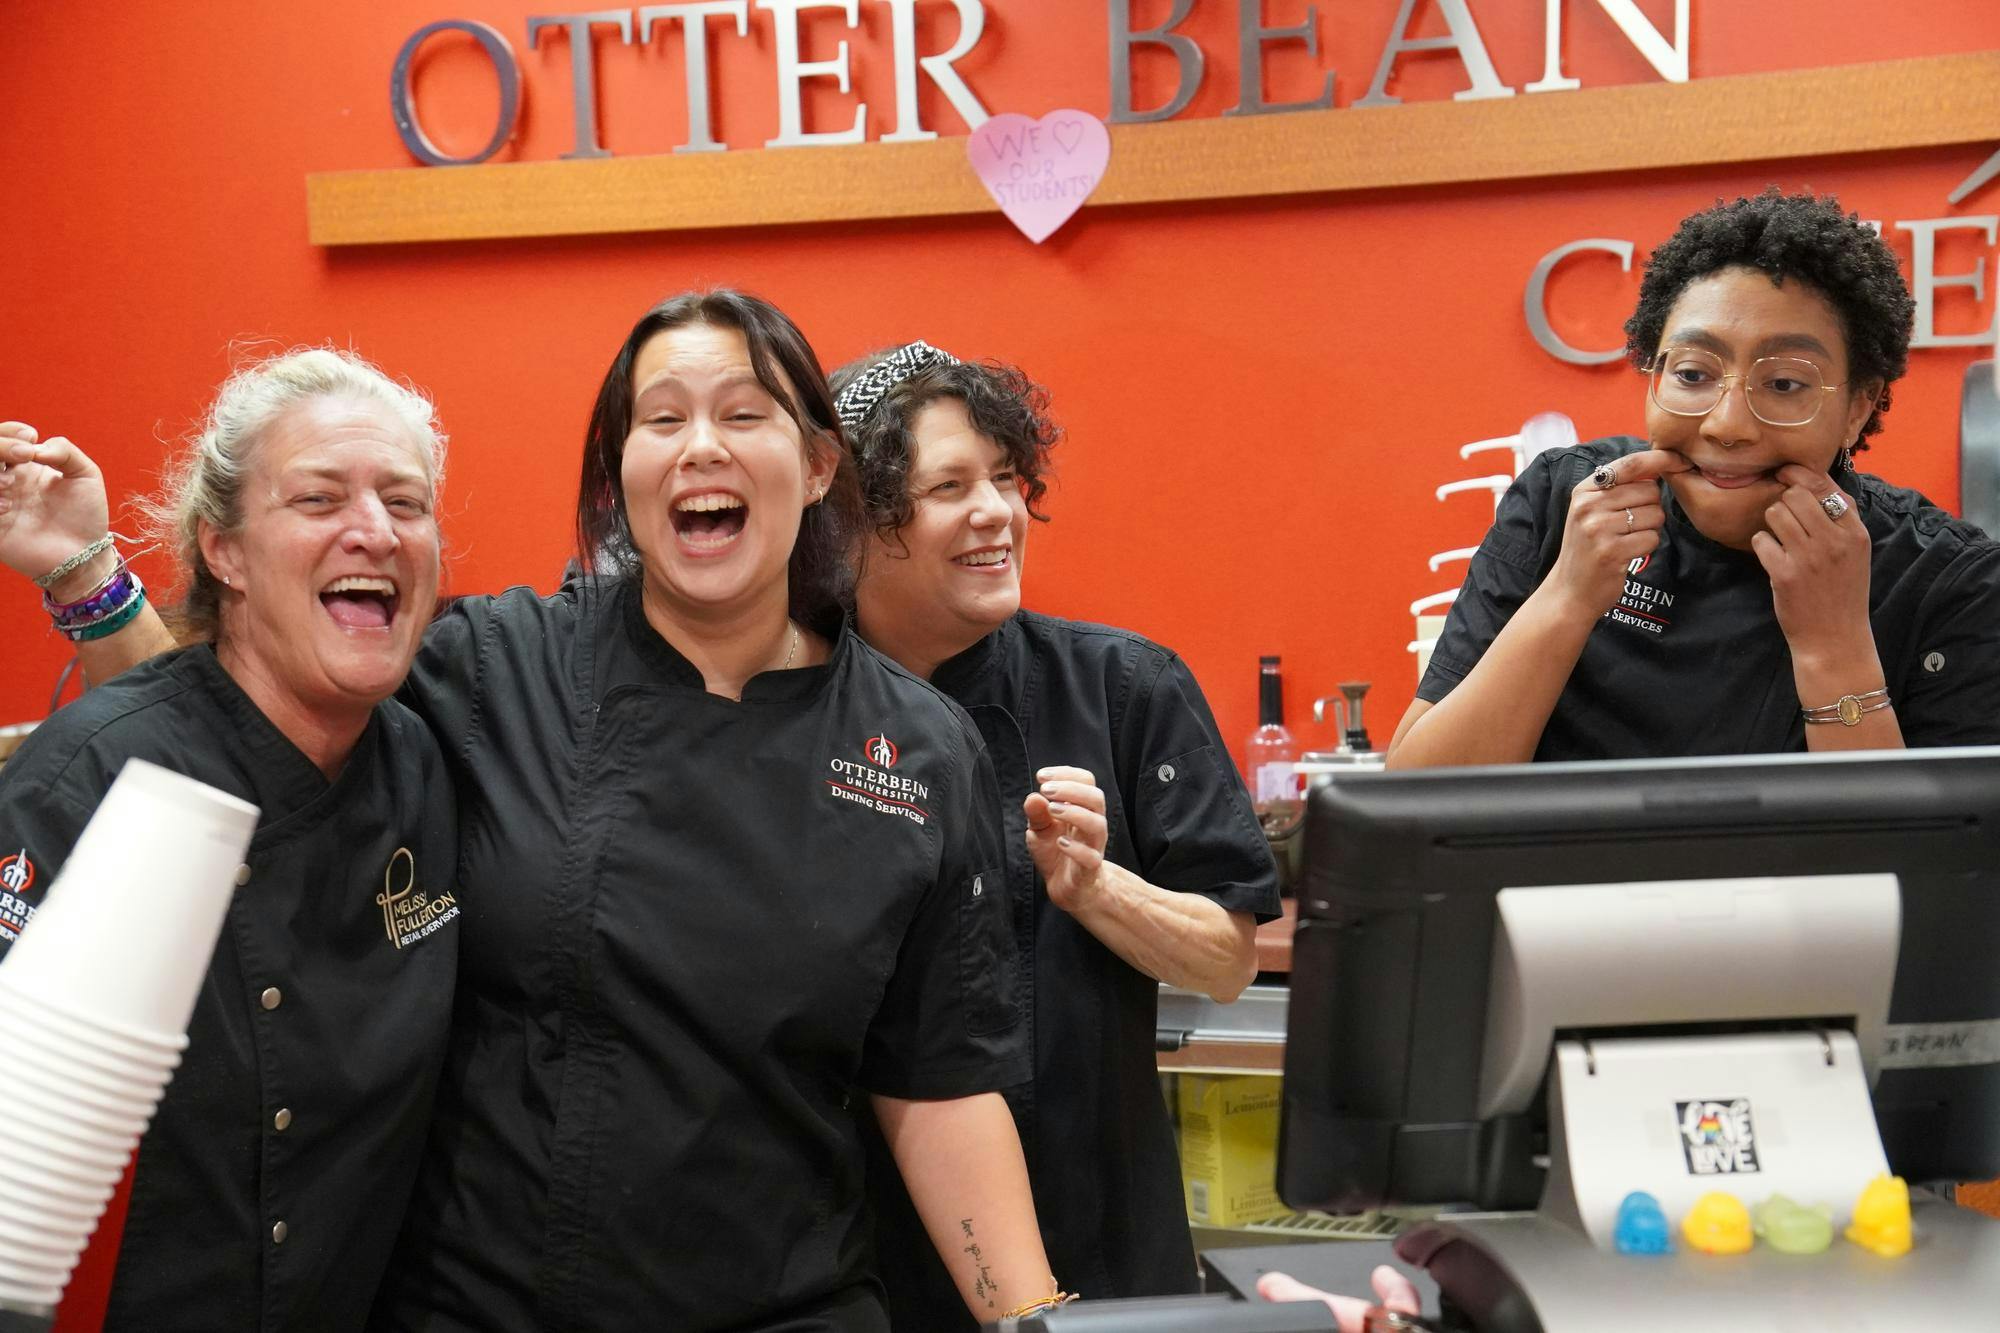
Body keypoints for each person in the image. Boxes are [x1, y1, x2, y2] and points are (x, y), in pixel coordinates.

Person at [23, 293, 1058, 1331]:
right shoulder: (488, 667)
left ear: (821, 465)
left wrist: (1030, 1317)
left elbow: (939, 1085)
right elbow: (241, 731)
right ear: (621, 472)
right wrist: (94, 584)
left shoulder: (917, 748)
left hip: (785, 1307)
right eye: (661, 419)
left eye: (745, 414)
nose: (701, 446)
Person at [0, 348, 459, 1329]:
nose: (373, 528)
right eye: (319, 497)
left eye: (406, 502)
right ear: (225, 551)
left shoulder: (426, 761)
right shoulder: (93, 776)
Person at [830, 342, 1281, 1325]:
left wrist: (1093, 885)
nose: (995, 512)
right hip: (854, 1268)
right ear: (850, 522)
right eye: (948, 486)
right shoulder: (790, 712)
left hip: (1104, 1249)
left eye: (1003, 478)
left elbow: (1225, 960)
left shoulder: (1122, 687)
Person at [1390, 190, 2000, 768]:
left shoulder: (1949, 580)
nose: (1727, 425)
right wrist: (1569, 597)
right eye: (1691, 374)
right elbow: (1415, 809)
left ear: (1858, 408)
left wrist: (1834, 647)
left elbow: (1932, 863)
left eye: (1785, 384)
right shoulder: (1563, 500)